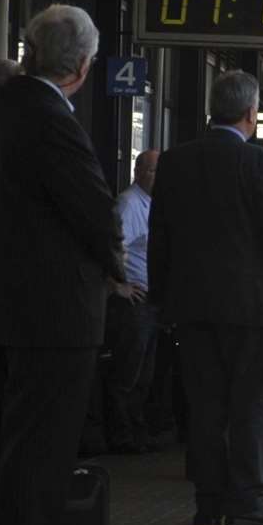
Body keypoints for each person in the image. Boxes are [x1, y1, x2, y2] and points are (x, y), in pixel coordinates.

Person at [0, 5, 123, 525]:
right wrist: (111, 264)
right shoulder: (51, 119)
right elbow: (94, 209)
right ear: (82, 66)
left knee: (0, 443)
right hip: (51, 313)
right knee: (39, 446)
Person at [149, 72, 263, 525]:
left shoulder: (175, 162)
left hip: (194, 309)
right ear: (250, 115)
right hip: (255, 311)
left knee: (205, 408)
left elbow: (159, 237)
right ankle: (247, 499)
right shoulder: (260, 166)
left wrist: (161, 300)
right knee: (254, 406)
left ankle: (208, 501)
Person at [103, 149, 160, 453]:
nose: (158, 177)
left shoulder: (155, 204)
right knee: (127, 372)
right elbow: (112, 247)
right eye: (152, 170)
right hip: (133, 304)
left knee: (144, 374)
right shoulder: (129, 203)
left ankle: (137, 431)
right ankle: (121, 436)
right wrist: (117, 286)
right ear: (138, 171)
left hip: (151, 302)